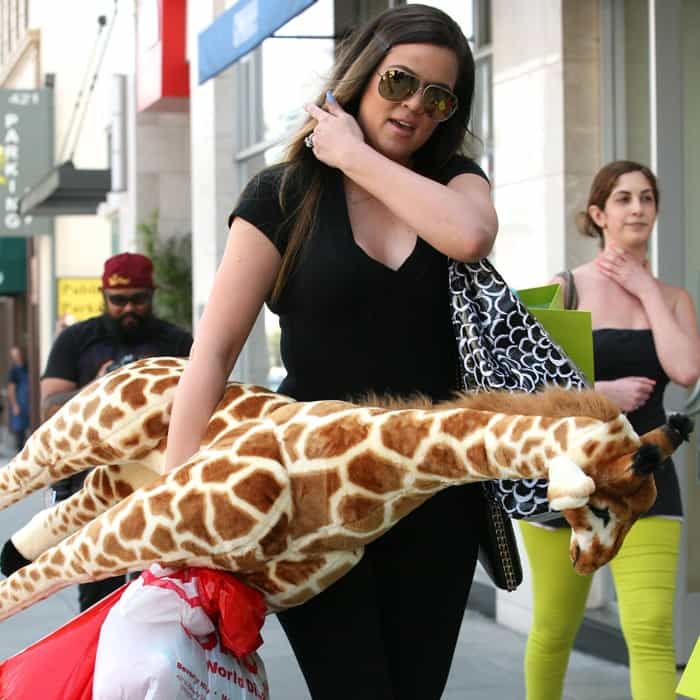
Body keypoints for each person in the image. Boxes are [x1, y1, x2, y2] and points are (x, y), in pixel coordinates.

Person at [163, 5, 498, 699]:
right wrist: (176, 502)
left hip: (434, 494)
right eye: (398, 82)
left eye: (437, 97)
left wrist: (354, 154)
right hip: (316, 493)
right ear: (361, 75)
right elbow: (214, 351)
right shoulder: (283, 195)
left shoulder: (456, 181)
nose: (413, 106)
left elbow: (468, 237)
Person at [520, 160, 700, 700]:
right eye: (623, 199)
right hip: (564, 478)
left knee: (648, 631)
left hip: (647, 478)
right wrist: (604, 394)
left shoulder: (671, 299)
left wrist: (645, 287)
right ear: (598, 213)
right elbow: (531, 388)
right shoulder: (564, 287)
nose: (638, 208)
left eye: (646, 198)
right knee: (553, 631)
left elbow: (687, 371)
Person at [41, 251, 193, 612]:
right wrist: (98, 388)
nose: (129, 309)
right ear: (103, 296)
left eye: (138, 299)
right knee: (97, 597)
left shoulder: (175, 342)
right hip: (92, 486)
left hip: (158, 482)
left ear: (152, 296)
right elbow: (48, 407)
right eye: (118, 300)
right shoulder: (77, 340)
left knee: (163, 593)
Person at [7, 345, 30, 451]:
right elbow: (11, 390)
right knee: (20, 429)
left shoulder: (28, 367)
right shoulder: (13, 372)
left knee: (29, 427)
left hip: (29, 401)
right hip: (20, 403)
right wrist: (15, 405)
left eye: (18, 354)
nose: (17, 356)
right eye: (14, 355)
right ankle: (19, 451)